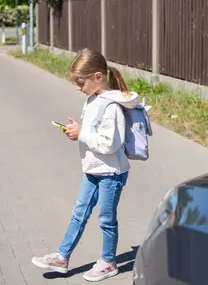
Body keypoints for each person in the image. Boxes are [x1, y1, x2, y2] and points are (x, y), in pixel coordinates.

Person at [31, 48, 139, 282]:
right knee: (79, 214)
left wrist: (82, 134)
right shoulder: (92, 100)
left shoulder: (111, 106)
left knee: (106, 220)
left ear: (98, 77)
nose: (78, 87)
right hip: (93, 169)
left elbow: (109, 144)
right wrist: (76, 132)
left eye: (81, 82)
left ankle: (109, 262)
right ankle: (62, 257)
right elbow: (92, 134)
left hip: (111, 173)